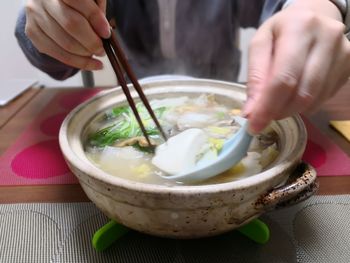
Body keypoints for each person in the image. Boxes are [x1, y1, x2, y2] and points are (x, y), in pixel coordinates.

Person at [15, 0, 350, 134]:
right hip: (137, 114)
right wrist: (49, 22)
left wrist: (320, 8)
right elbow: (41, 38)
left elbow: (291, 4)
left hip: (224, 114)